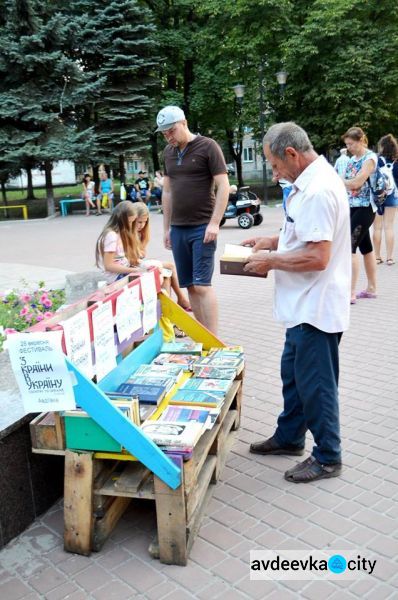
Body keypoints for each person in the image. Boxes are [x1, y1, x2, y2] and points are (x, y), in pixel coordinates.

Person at [243, 122, 351, 483]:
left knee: (316, 384)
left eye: (274, 165)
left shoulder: (318, 190)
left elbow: (318, 256)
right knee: (293, 375)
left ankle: (328, 456)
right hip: (302, 305)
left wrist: (270, 262)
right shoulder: (308, 184)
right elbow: (302, 234)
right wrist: (270, 242)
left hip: (316, 307)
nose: (274, 173)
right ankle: (289, 437)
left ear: (291, 153)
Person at [156, 105, 230, 334]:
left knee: (202, 285)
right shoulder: (167, 153)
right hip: (178, 229)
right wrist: (166, 228)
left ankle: (214, 340)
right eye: (164, 133)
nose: (168, 136)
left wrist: (215, 222)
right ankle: (204, 337)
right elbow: (167, 192)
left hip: (202, 227)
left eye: (171, 130)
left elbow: (223, 185)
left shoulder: (208, 146)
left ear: (184, 123)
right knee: (189, 286)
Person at [133, 202, 191, 310]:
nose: (141, 225)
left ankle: (170, 306)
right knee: (170, 267)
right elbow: (133, 258)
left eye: (144, 222)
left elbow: (141, 254)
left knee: (167, 275)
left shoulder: (141, 233)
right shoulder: (129, 233)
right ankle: (181, 299)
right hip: (133, 267)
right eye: (139, 222)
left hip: (139, 264)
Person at [342, 126, 377, 303]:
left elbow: (357, 182)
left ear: (361, 140)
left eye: (351, 144)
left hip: (365, 208)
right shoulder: (351, 159)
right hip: (352, 207)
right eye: (347, 144)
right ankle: (371, 288)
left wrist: (340, 182)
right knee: (366, 248)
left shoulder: (369, 158)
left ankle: (351, 292)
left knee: (349, 247)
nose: (349, 148)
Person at [95, 201, 141, 283]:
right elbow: (108, 265)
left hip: (122, 272)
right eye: (130, 222)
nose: (130, 225)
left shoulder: (118, 233)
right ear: (122, 220)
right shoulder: (111, 235)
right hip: (114, 277)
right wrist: (133, 270)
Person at [372, 134, 398, 266]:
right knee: (389, 227)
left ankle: (377, 257)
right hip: (393, 194)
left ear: (382, 146)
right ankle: (390, 258)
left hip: (378, 195)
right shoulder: (396, 160)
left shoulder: (377, 160)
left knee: (377, 228)